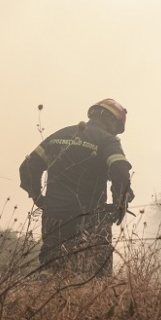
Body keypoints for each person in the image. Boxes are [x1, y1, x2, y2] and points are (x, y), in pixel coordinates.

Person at [19, 98, 133, 277]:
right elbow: (120, 170)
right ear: (111, 120)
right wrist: (121, 202)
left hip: (54, 217)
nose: (115, 133)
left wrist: (39, 198)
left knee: (52, 272)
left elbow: (28, 167)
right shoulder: (107, 140)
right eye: (116, 128)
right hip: (90, 218)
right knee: (97, 276)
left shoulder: (60, 136)